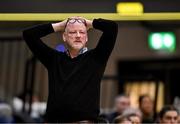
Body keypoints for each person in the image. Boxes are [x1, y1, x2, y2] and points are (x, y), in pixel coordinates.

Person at [22, 17, 118, 123]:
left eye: (82, 32)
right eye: (72, 32)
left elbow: (112, 27)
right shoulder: (54, 59)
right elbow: (28, 35)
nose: (78, 36)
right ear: (64, 37)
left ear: (86, 38)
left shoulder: (96, 57)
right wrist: (59, 26)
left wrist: (89, 23)